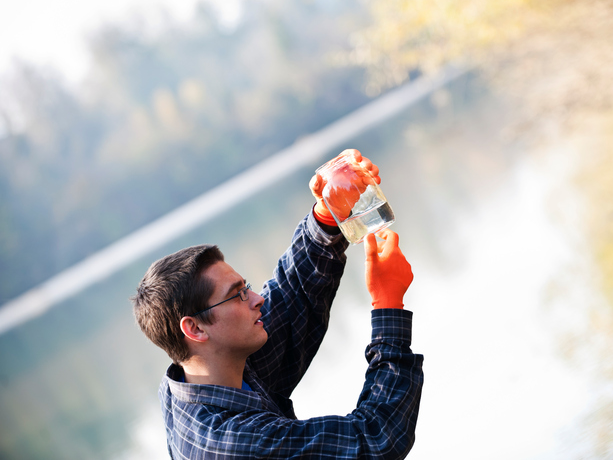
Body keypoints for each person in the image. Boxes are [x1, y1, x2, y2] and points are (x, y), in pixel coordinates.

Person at [130, 150, 424, 459]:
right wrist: (388, 304)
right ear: (194, 328)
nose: (258, 299)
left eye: (247, 288)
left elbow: (291, 299)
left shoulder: (198, 379)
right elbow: (375, 439)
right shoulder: (239, 444)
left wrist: (327, 217)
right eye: (238, 294)